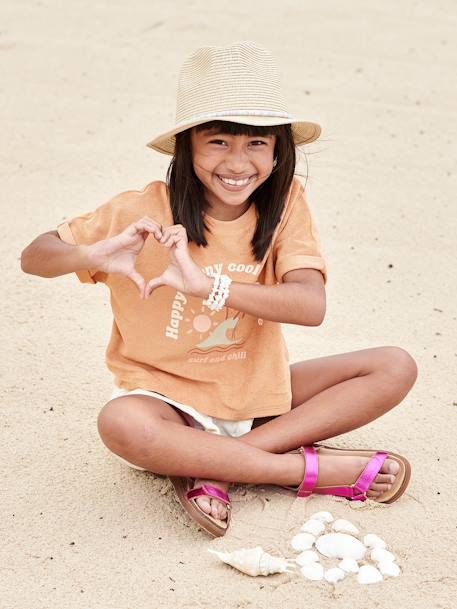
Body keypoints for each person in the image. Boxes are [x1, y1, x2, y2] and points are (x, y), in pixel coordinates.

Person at [21, 41, 417, 538]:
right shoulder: (142, 208)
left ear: (278, 153)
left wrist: (209, 285)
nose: (238, 161)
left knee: (394, 365)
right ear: (187, 148)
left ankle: (217, 467)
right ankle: (299, 471)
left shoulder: (287, 205)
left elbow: (309, 305)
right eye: (218, 142)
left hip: (257, 393)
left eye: (256, 143)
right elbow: (33, 256)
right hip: (169, 402)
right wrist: (91, 254)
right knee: (121, 423)